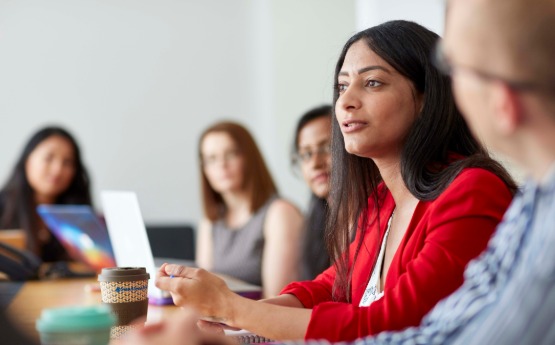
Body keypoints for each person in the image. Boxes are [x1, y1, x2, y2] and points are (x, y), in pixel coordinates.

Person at [155, 20, 516, 342]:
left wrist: (235, 309)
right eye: (342, 87)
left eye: (372, 83)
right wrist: (232, 316)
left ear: (427, 99)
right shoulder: (381, 200)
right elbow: (331, 286)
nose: (345, 102)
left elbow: (394, 325)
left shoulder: (472, 189)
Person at [195, 121, 303, 297]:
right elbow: (203, 292)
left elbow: (275, 301)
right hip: (220, 321)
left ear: (249, 158)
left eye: (230, 154)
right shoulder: (209, 221)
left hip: (261, 321)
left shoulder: (280, 213)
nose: (221, 165)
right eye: (211, 159)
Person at [0, 126, 92, 262]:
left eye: (67, 162)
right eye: (48, 158)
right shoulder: (3, 208)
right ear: (28, 161)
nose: (57, 170)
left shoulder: (80, 216)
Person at [292, 105, 333, 280]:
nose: (315, 163)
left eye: (327, 148)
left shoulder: (375, 218)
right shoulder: (314, 223)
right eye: (307, 154)